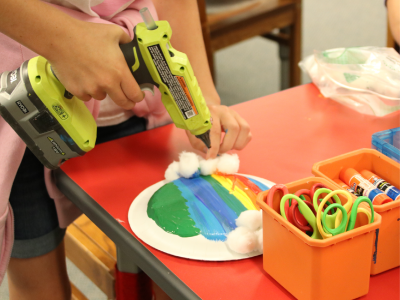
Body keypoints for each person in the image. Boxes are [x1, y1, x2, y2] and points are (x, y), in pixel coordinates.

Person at [0, 0, 252, 299]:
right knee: (39, 283)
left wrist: (202, 99)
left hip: (137, 99)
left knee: (163, 264)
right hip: (25, 102)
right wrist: (66, 40)